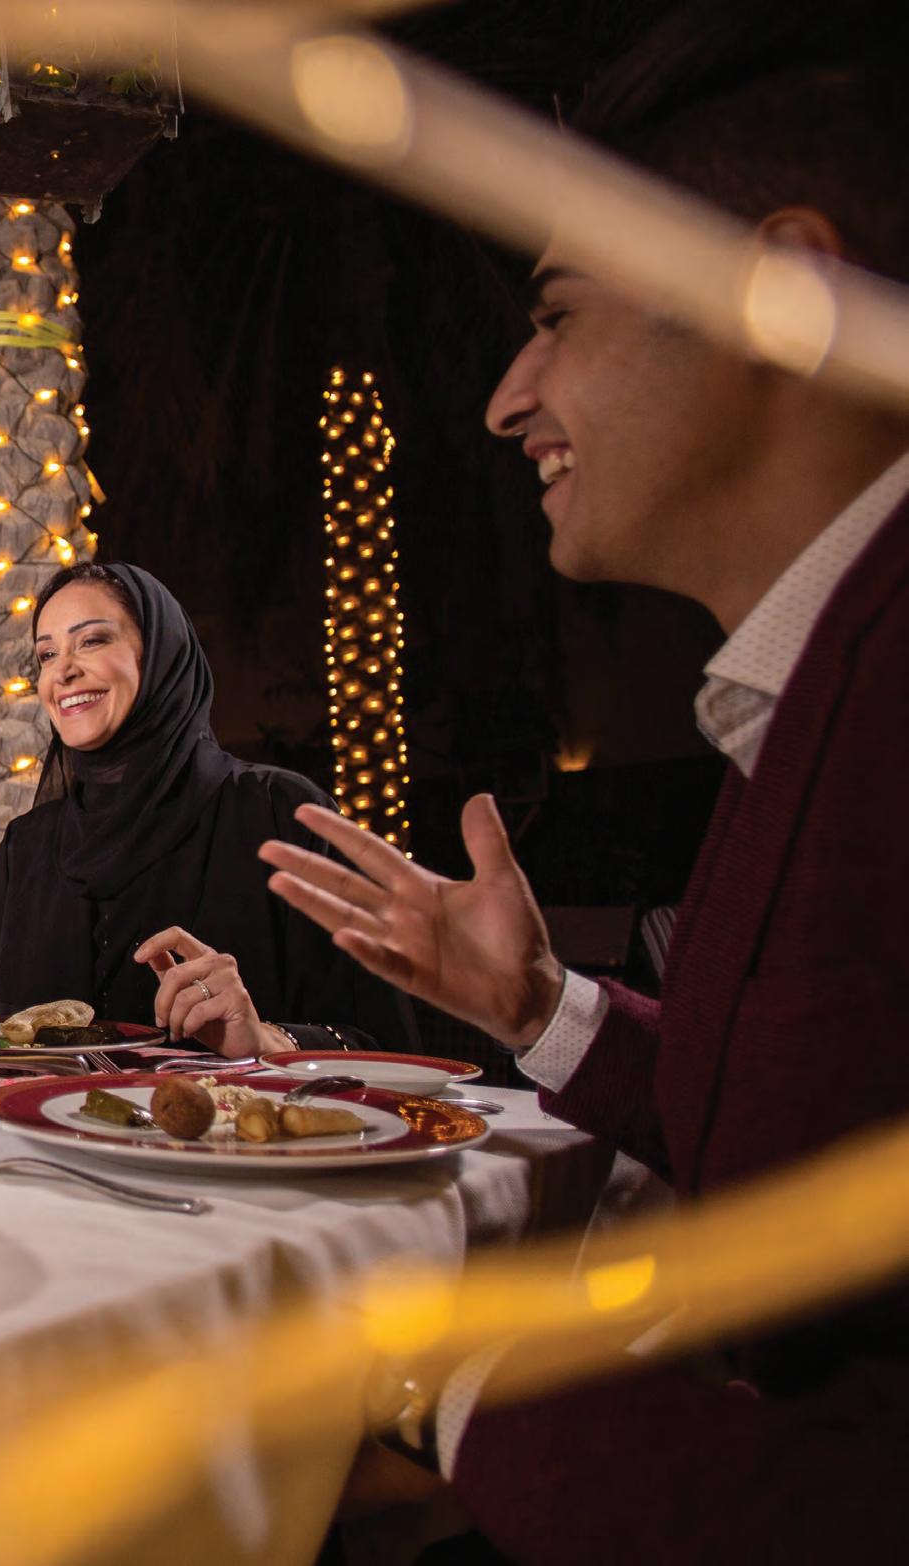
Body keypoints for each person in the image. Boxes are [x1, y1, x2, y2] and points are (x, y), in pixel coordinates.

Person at [258, 12, 909, 1556]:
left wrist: (435, 1378)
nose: (507, 397)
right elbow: (802, 1132)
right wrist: (542, 1004)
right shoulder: (807, 685)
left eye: (557, 314)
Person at [0, 562, 408, 1055]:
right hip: (41, 1141)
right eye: (47, 654)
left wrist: (268, 1040)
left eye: (92, 641)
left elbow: (380, 1040)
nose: (63, 670)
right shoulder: (35, 845)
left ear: (159, 654)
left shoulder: (278, 815)